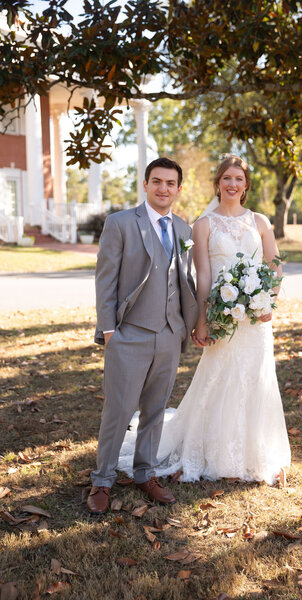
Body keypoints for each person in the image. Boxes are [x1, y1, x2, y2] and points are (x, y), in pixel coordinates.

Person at [118, 155, 291, 485]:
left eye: (238, 178)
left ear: (246, 185)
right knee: (218, 378)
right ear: (217, 183)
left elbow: (275, 264)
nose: (232, 184)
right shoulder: (203, 224)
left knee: (257, 378)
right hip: (222, 315)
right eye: (226, 177)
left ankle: (256, 452)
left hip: (256, 320)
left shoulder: (260, 221)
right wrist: (203, 321)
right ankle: (211, 449)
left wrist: (267, 299)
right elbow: (204, 276)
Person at [87, 157, 198, 514]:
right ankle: (102, 480)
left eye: (170, 183)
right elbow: (105, 278)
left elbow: (185, 282)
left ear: (178, 190)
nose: (163, 188)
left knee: (155, 410)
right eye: (157, 182)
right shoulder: (120, 223)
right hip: (129, 333)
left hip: (169, 334)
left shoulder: (184, 229)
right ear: (146, 185)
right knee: (118, 410)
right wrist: (108, 331)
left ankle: (145, 474)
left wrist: (187, 326)